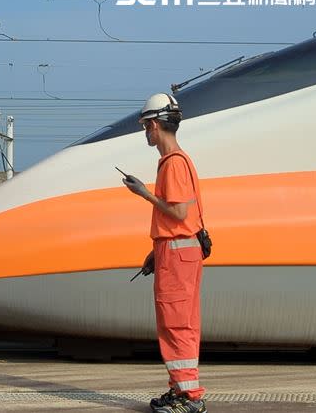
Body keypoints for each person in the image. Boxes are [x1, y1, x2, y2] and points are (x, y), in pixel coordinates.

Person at [122, 93, 208, 413]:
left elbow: (180, 213)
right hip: (175, 252)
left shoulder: (173, 163)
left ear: (155, 125)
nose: (146, 132)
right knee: (179, 322)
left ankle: (190, 397)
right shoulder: (178, 161)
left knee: (176, 325)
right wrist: (156, 251)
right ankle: (180, 388)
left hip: (178, 255)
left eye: (146, 126)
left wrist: (142, 193)